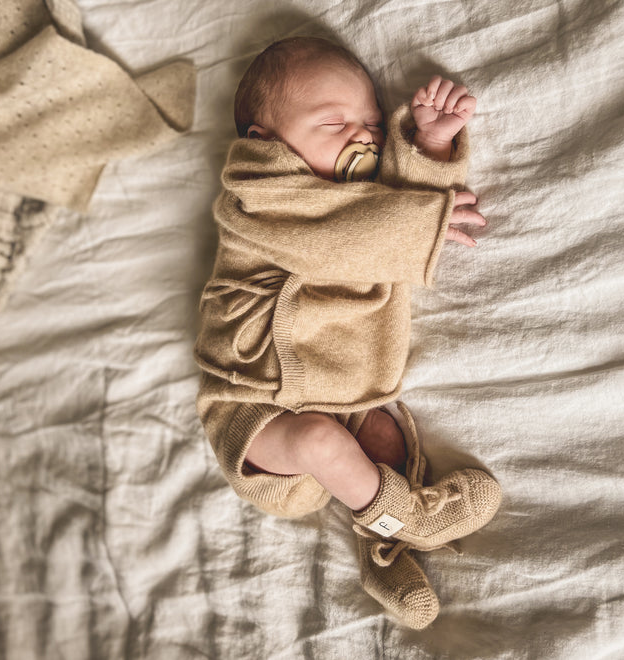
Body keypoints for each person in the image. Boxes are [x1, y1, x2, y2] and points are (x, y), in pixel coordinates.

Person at [195, 36, 501, 628]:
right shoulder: (255, 195)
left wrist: (430, 143)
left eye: (370, 124)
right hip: (254, 410)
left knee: (383, 437)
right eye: (334, 122)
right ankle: (412, 519)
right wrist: (421, 229)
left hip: (346, 397)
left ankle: (384, 546)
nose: (362, 135)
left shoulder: (366, 199)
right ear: (264, 142)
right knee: (318, 442)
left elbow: (395, 207)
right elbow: (338, 237)